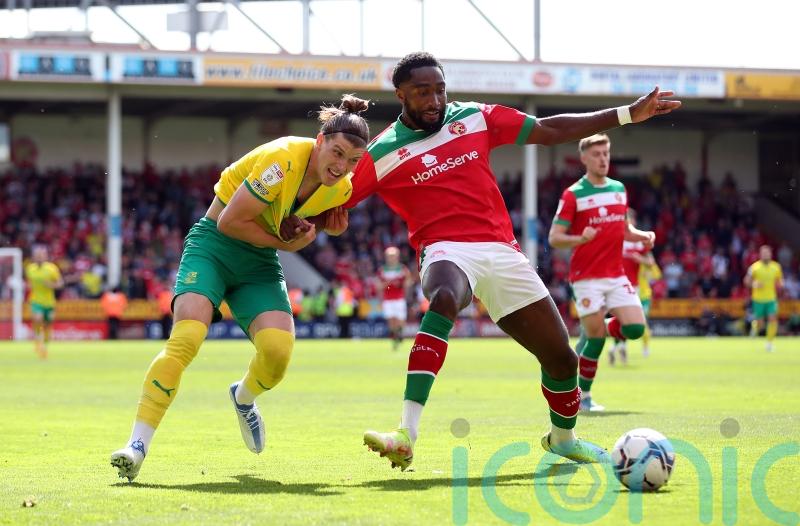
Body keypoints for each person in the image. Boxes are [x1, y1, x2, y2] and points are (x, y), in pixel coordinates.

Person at [326, 52, 679, 470]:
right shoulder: (381, 152)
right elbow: (331, 198)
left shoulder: (475, 116)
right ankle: (406, 433)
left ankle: (563, 439)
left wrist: (625, 114)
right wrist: (316, 220)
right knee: (442, 297)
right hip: (445, 249)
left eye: (440, 89)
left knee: (562, 359)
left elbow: (549, 130)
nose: (435, 100)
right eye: (422, 93)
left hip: (501, 251)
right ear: (401, 93)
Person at [110, 94, 371, 482]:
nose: (341, 166)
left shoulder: (341, 186)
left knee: (278, 354)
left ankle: (244, 397)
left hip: (259, 262)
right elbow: (230, 223)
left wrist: (313, 224)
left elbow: (304, 215)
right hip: (214, 247)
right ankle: (136, 445)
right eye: (335, 153)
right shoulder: (281, 159)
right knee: (186, 340)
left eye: (352, 161)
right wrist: (287, 241)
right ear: (319, 141)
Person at [549, 134, 656, 412]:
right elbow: (555, 238)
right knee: (595, 341)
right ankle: (583, 398)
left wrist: (642, 236)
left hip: (616, 274)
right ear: (584, 158)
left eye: (606, 153)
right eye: (596, 154)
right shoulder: (573, 194)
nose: (603, 159)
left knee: (635, 328)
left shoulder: (619, 189)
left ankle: (595, 324)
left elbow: (624, 230)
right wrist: (580, 239)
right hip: (586, 277)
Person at [610, 209, 662, 362]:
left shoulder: (639, 240)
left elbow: (651, 262)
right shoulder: (616, 238)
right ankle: (619, 347)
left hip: (636, 287)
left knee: (636, 321)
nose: (627, 223)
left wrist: (639, 258)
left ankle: (622, 347)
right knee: (621, 319)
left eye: (629, 220)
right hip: (617, 284)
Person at [24, 245, 63, 359]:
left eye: (41, 255)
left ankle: (44, 346)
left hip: (49, 302)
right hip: (36, 300)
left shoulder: (52, 269)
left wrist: (51, 285)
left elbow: (60, 283)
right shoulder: (30, 269)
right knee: (37, 318)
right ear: (34, 257)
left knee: (48, 323)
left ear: (45, 256)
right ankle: (37, 339)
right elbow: (28, 282)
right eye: (37, 255)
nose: (39, 257)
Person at [744, 245, 783, 352]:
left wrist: (780, 286)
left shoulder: (776, 267)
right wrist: (754, 284)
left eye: (767, 252)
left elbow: (780, 281)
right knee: (761, 323)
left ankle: (769, 343)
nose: (766, 254)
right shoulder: (754, 267)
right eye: (763, 253)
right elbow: (746, 281)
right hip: (758, 299)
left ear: (770, 254)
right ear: (760, 254)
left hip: (771, 299)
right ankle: (755, 326)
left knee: (772, 319)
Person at [378, 246, 413, 350]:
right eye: (389, 256)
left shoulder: (402, 269)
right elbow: (379, 286)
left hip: (399, 298)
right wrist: (388, 284)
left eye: (393, 256)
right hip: (388, 299)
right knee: (391, 320)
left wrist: (402, 285)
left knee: (400, 320)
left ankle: (399, 333)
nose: (391, 258)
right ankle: (395, 337)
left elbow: (408, 281)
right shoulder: (382, 270)